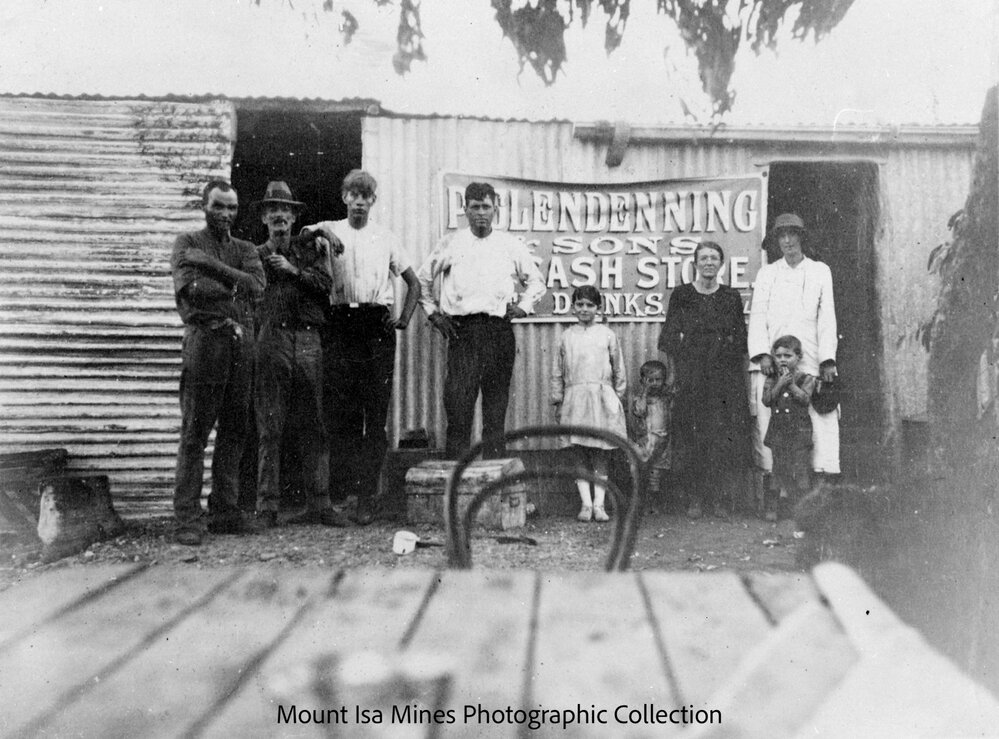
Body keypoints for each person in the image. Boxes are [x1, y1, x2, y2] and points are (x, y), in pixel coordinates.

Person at [302, 170, 420, 525]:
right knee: (343, 414)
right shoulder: (330, 228)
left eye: (365, 196)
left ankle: (368, 497)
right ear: (344, 198)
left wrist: (402, 318)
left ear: (373, 201)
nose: (358, 201)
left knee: (375, 416)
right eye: (352, 195)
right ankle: (346, 494)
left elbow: (414, 284)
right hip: (340, 324)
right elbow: (299, 238)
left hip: (375, 327)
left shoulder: (385, 237)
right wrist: (320, 232)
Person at [417, 181, 546, 459]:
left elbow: (536, 281)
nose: (481, 213)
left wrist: (523, 306)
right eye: (474, 207)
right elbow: (422, 279)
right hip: (464, 332)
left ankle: (494, 481)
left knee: (495, 411)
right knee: (459, 408)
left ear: (495, 209)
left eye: (486, 207)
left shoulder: (509, 244)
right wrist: (434, 315)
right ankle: (458, 481)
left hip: (498, 331)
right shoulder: (452, 242)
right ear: (465, 209)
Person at [169, 179, 265, 546]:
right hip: (205, 342)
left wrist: (211, 266)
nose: (226, 214)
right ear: (204, 206)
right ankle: (186, 519)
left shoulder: (243, 248)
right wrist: (233, 288)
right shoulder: (187, 244)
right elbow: (193, 290)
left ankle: (225, 511)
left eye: (232, 208)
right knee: (195, 431)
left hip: (241, 345)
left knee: (235, 430)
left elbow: (257, 287)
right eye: (219, 206)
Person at [253, 181, 347, 528]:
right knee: (269, 425)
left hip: (308, 341)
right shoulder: (255, 255)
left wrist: (293, 271)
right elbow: (248, 292)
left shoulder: (310, 249)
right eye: (273, 212)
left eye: (286, 211)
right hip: (272, 338)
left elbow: (326, 285)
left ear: (294, 217)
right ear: (264, 218)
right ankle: (266, 508)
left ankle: (320, 503)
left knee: (315, 423)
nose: (280, 217)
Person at [747, 213, 839, 498]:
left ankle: (822, 488)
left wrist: (827, 359)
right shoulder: (768, 274)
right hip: (778, 359)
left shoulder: (820, 271)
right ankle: (778, 494)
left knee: (820, 418)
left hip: (810, 356)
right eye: (781, 236)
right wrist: (763, 354)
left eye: (792, 234)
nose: (787, 241)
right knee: (774, 419)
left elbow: (827, 317)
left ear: (802, 237)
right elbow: (758, 314)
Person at [658, 241, 750, 519]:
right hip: (692, 375)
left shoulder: (730, 297)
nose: (709, 262)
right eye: (704, 258)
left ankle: (720, 498)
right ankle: (695, 498)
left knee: (722, 437)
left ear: (721, 264)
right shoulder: (682, 295)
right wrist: (675, 373)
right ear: (695, 263)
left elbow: (740, 340)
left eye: (714, 258)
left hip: (724, 377)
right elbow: (671, 338)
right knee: (692, 436)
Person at [550, 285, 628, 523]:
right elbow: (557, 373)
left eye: (590, 305)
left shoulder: (607, 335)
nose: (584, 309)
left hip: (602, 397)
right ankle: (585, 504)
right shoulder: (566, 336)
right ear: (573, 307)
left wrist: (615, 398)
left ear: (598, 308)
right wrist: (558, 401)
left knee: (601, 450)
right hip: (575, 398)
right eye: (580, 304)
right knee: (579, 450)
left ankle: (599, 505)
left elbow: (619, 370)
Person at [761, 335, 816, 522]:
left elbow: (805, 399)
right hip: (779, 430)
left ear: (798, 357)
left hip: (799, 431)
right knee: (778, 468)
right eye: (778, 356)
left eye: (788, 355)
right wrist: (780, 384)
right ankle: (772, 508)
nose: (782, 360)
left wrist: (790, 384)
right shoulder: (771, 379)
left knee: (801, 469)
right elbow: (767, 400)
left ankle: (803, 510)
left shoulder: (805, 378)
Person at [631, 359, 673, 505]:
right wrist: (644, 392)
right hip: (646, 441)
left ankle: (656, 501)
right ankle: (646, 501)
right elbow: (639, 411)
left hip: (662, 441)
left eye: (658, 380)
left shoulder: (665, 398)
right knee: (645, 471)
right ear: (642, 381)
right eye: (650, 380)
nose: (654, 383)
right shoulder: (641, 399)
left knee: (657, 472)